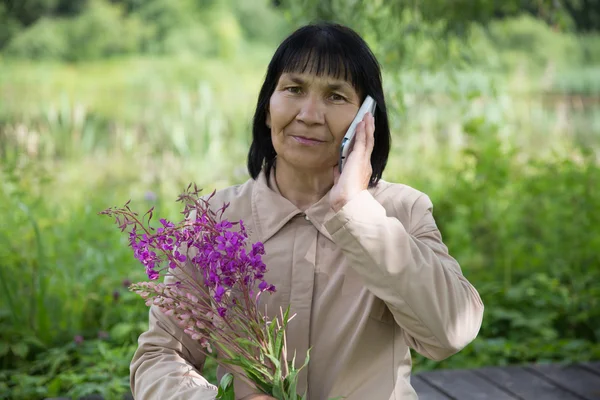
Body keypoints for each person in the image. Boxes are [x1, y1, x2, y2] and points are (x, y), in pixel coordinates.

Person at [130, 22, 484, 400]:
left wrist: (354, 209)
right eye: (294, 90)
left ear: (366, 119)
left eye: (335, 96)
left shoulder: (402, 210)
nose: (310, 114)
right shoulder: (215, 220)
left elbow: (451, 332)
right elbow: (160, 355)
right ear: (268, 108)